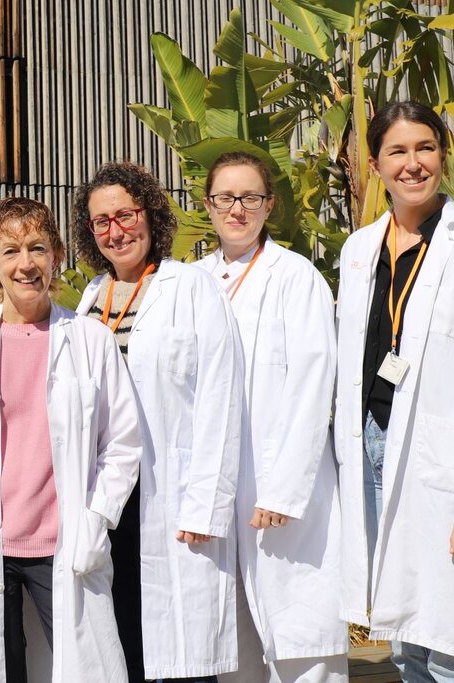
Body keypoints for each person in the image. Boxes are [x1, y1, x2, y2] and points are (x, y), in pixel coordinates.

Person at [0, 196, 142, 682]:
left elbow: (124, 443)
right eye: (10, 251)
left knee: (86, 669)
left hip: (64, 540)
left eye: (38, 248)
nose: (26, 264)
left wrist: (96, 517)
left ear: (56, 256)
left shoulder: (89, 340)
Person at [72, 161, 244, 682]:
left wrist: (207, 502)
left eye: (125, 214)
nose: (115, 230)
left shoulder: (191, 287)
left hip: (172, 493)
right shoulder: (90, 300)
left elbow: (222, 394)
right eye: (101, 221)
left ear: (150, 214)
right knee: (124, 640)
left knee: (182, 655)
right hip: (108, 495)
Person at [195, 152, 348, 683]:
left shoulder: (297, 277)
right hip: (216, 487)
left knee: (302, 641)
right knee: (233, 644)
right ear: (208, 204)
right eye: (225, 198)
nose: (237, 209)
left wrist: (284, 491)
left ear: (269, 205)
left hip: (277, 487)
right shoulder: (191, 281)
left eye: (250, 198)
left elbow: (313, 386)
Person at [335, 100, 454, 681]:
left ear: (444, 155)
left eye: (425, 148)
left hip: (441, 454)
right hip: (371, 442)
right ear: (376, 165)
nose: (413, 164)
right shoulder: (358, 249)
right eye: (397, 151)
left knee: (448, 626)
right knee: (402, 619)